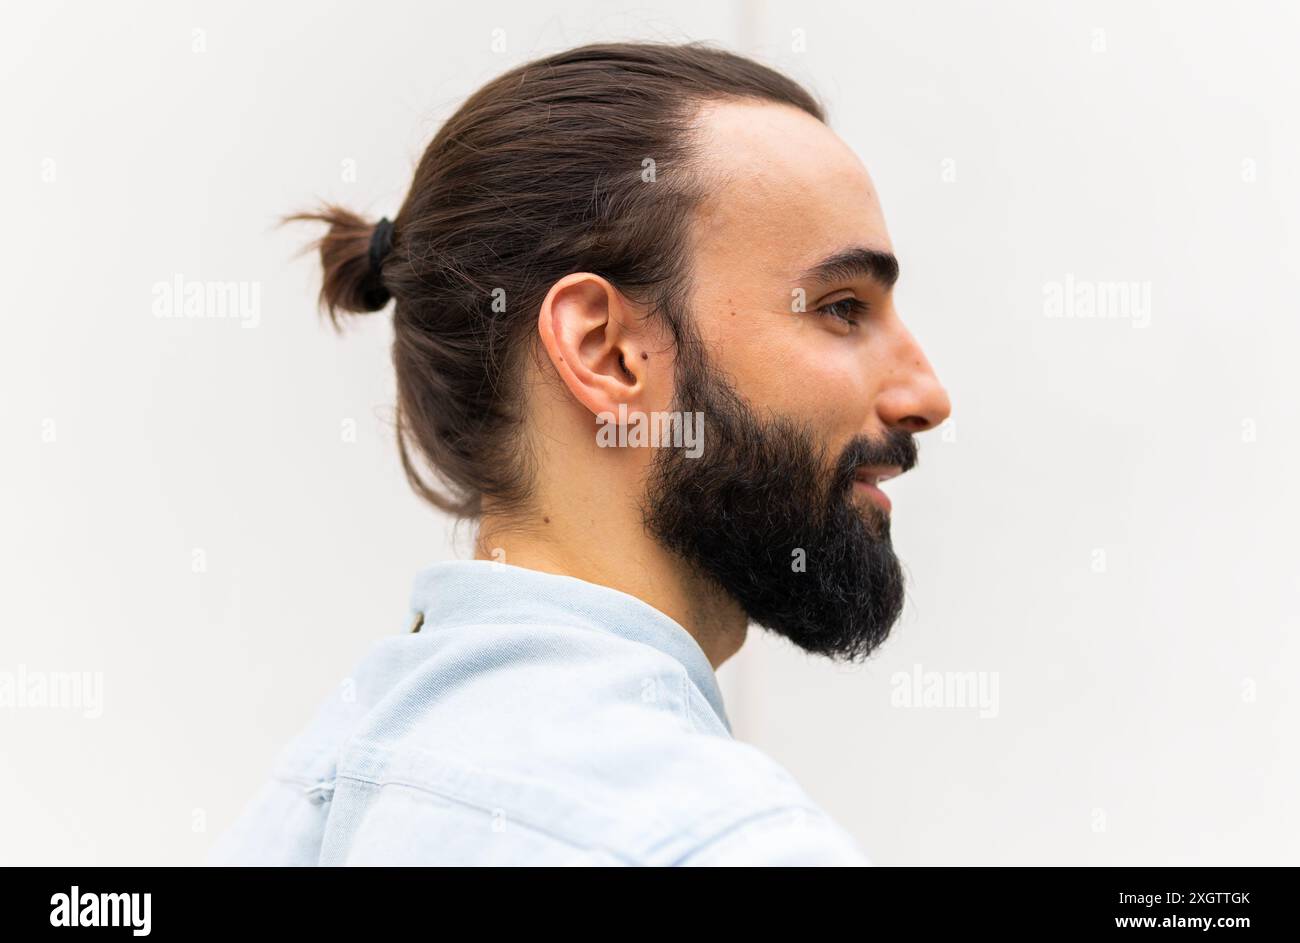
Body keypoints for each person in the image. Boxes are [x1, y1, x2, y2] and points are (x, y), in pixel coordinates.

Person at [211, 41, 951, 866]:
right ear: (604, 351)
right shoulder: (719, 843)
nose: (926, 396)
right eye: (841, 307)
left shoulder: (309, 800)